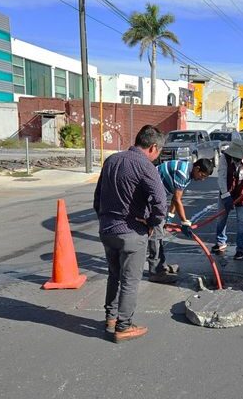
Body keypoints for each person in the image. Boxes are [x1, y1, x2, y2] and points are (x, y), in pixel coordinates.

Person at [93, 125, 167, 343]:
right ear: (153, 147)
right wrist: (152, 223)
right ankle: (124, 326)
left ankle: (111, 318)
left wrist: (104, 219)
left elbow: (97, 198)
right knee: (130, 281)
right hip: (131, 232)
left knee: (114, 275)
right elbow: (161, 203)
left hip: (107, 229)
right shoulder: (145, 166)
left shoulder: (112, 160)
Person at [147, 158, 214, 283]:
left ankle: (161, 267)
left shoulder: (187, 173)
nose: (202, 179)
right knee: (156, 235)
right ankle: (155, 272)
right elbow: (178, 200)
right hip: (148, 198)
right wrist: (185, 222)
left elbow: (174, 197)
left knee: (159, 233)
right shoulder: (183, 173)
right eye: (202, 175)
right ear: (197, 168)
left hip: (156, 197)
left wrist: (169, 218)